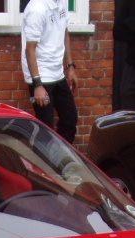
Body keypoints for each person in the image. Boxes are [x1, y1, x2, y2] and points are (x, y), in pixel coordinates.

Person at [21, 0, 79, 144]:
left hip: (57, 72)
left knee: (70, 118)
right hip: (40, 74)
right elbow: (29, 49)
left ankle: (61, 155)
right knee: (45, 127)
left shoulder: (62, 2)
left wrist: (70, 66)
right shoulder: (37, 9)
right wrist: (37, 84)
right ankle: (40, 158)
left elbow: (64, 32)